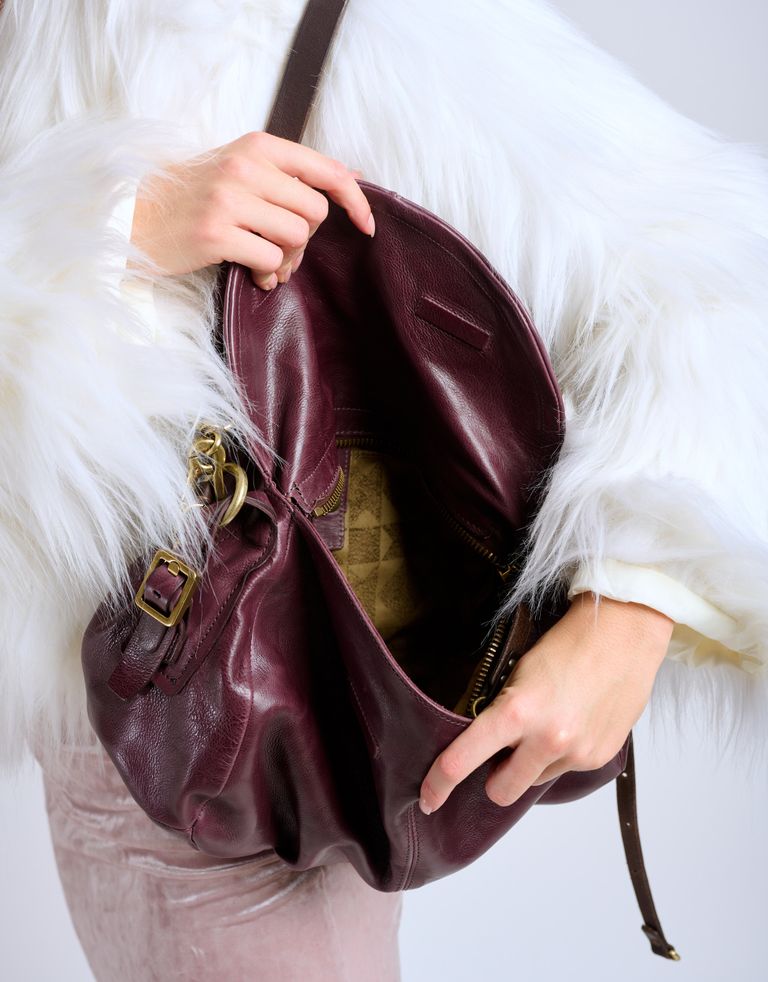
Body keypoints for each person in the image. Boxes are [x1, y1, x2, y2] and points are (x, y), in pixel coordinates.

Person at [1, 0, 766, 978]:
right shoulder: (36, 33)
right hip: (98, 736)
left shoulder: (377, 28)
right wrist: (121, 221)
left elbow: (708, 262)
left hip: (273, 732)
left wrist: (636, 605)